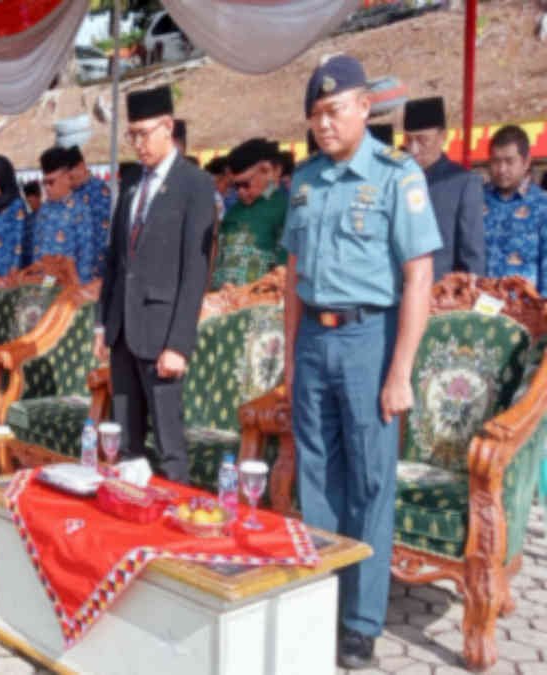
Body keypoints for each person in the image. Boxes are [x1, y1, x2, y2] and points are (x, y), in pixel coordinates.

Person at [282, 55, 441, 669]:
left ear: (364, 107)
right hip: (316, 344)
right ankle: (322, 598)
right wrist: (292, 359)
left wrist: (400, 371)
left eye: (333, 110)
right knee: (317, 479)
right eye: (315, 115)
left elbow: (419, 275)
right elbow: (293, 278)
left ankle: (360, 621)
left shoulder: (396, 175)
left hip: (369, 341)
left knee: (370, 483)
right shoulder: (305, 180)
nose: (323, 124)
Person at [94, 85, 214, 485]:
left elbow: (195, 272)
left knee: (168, 444)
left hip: (162, 334)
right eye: (132, 136)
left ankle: (175, 531)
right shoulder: (131, 182)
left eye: (144, 134)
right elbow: (114, 259)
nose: (138, 144)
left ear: (168, 127)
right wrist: (102, 323)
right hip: (124, 329)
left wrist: (179, 344)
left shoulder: (193, 184)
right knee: (128, 442)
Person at [402, 96, 485, 280]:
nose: (414, 149)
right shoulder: (397, 180)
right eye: (409, 140)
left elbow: (472, 253)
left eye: (422, 140)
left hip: (441, 294)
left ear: (443, 136)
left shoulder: (462, 182)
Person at [210, 138, 287, 289]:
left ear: (267, 171)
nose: (240, 192)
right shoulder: (234, 211)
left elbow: (284, 270)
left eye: (245, 184)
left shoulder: (284, 209)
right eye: (235, 186)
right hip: (223, 300)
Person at [482, 125, 547, 293]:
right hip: (478, 310)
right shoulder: (476, 199)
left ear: (526, 162)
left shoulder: (541, 205)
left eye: (509, 161)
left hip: (524, 312)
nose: (502, 169)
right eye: (496, 161)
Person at [30, 147, 88, 279]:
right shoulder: (43, 210)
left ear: (67, 177)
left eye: (51, 182)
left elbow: (86, 258)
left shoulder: (80, 211)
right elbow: (37, 252)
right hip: (43, 287)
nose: (47, 188)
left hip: (68, 288)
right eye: (44, 183)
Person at [67, 146, 113, 282]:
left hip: (92, 274)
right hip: (69, 273)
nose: (68, 181)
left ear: (81, 166)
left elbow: (100, 237)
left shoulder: (99, 191)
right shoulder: (68, 194)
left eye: (70, 176)